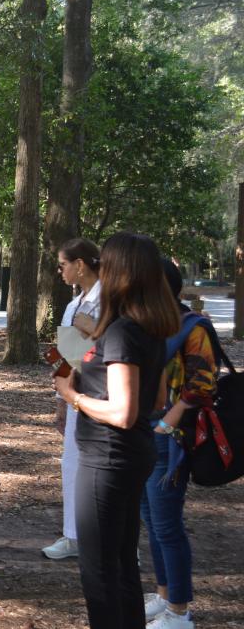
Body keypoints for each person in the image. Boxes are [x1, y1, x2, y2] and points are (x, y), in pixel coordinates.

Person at [54, 232, 180, 628]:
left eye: (107, 262)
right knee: (122, 560)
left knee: (99, 570)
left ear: (123, 271)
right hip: (130, 455)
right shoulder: (150, 326)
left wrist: (72, 395)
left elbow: (125, 412)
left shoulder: (124, 331)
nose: (101, 269)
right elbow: (157, 399)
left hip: (108, 458)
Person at [141, 260, 215, 629]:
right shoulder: (151, 326)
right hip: (145, 435)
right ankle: (164, 594)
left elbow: (202, 384)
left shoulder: (191, 327)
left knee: (167, 524)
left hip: (171, 440)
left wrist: (166, 426)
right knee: (151, 520)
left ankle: (180, 612)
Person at [42, 238, 102, 561]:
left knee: (104, 470)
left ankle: (113, 541)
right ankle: (72, 535)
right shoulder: (71, 305)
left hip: (103, 395)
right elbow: (66, 355)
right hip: (74, 395)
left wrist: (91, 328)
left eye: (63, 264)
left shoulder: (109, 299)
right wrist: (60, 401)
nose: (60, 270)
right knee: (72, 463)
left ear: (80, 265)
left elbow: (115, 340)